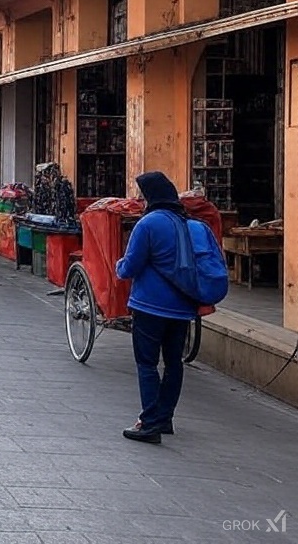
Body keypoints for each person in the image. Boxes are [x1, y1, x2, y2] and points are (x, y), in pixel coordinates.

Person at [116, 171, 208, 445]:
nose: (141, 201)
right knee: (173, 363)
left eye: (142, 195)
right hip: (182, 307)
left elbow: (130, 266)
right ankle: (165, 417)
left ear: (151, 196)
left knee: (147, 363)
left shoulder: (148, 223)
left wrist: (119, 266)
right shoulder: (186, 223)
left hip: (150, 305)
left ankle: (150, 423)